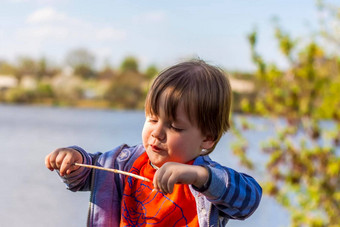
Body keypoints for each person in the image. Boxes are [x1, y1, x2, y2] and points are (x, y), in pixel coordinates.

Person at [45, 59, 262, 226]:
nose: (157, 133)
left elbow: (249, 200)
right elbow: (90, 173)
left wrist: (200, 176)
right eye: (152, 119)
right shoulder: (126, 163)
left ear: (207, 137)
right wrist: (74, 159)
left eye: (175, 127)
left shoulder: (207, 181)